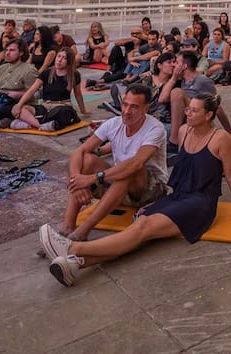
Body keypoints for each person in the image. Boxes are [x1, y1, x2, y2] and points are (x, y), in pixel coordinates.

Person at [38, 94, 231, 286]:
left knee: (144, 228)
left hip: (200, 203)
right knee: (139, 228)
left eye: (195, 111)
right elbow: (180, 101)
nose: (189, 113)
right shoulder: (185, 130)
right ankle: (75, 263)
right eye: (189, 109)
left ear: (208, 116)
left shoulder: (221, 139)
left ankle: (73, 247)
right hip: (176, 196)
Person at [46, 84, 167, 244]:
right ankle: (67, 227)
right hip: (119, 184)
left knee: (127, 169)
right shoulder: (114, 123)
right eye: (125, 104)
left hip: (149, 190)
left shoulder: (155, 129)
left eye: (134, 107)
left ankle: (83, 231)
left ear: (146, 108)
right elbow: (80, 152)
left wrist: (91, 179)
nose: (126, 111)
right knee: (87, 159)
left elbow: (136, 164)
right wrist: (76, 179)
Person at [11, 49, 87, 131]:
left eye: (64, 58)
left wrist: (83, 111)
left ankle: (30, 122)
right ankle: (39, 125)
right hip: (45, 106)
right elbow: (31, 91)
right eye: (59, 56)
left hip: (62, 106)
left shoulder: (74, 75)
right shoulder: (46, 73)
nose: (59, 60)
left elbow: (78, 94)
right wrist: (19, 105)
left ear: (69, 61)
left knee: (64, 112)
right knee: (19, 108)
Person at [166, 51, 231, 140]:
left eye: (177, 62)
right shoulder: (180, 80)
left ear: (184, 66)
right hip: (183, 119)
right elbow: (161, 100)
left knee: (177, 92)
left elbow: (216, 106)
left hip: (197, 116)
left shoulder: (202, 81)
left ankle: (174, 139)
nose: (174, 65)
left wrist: (230, 131)